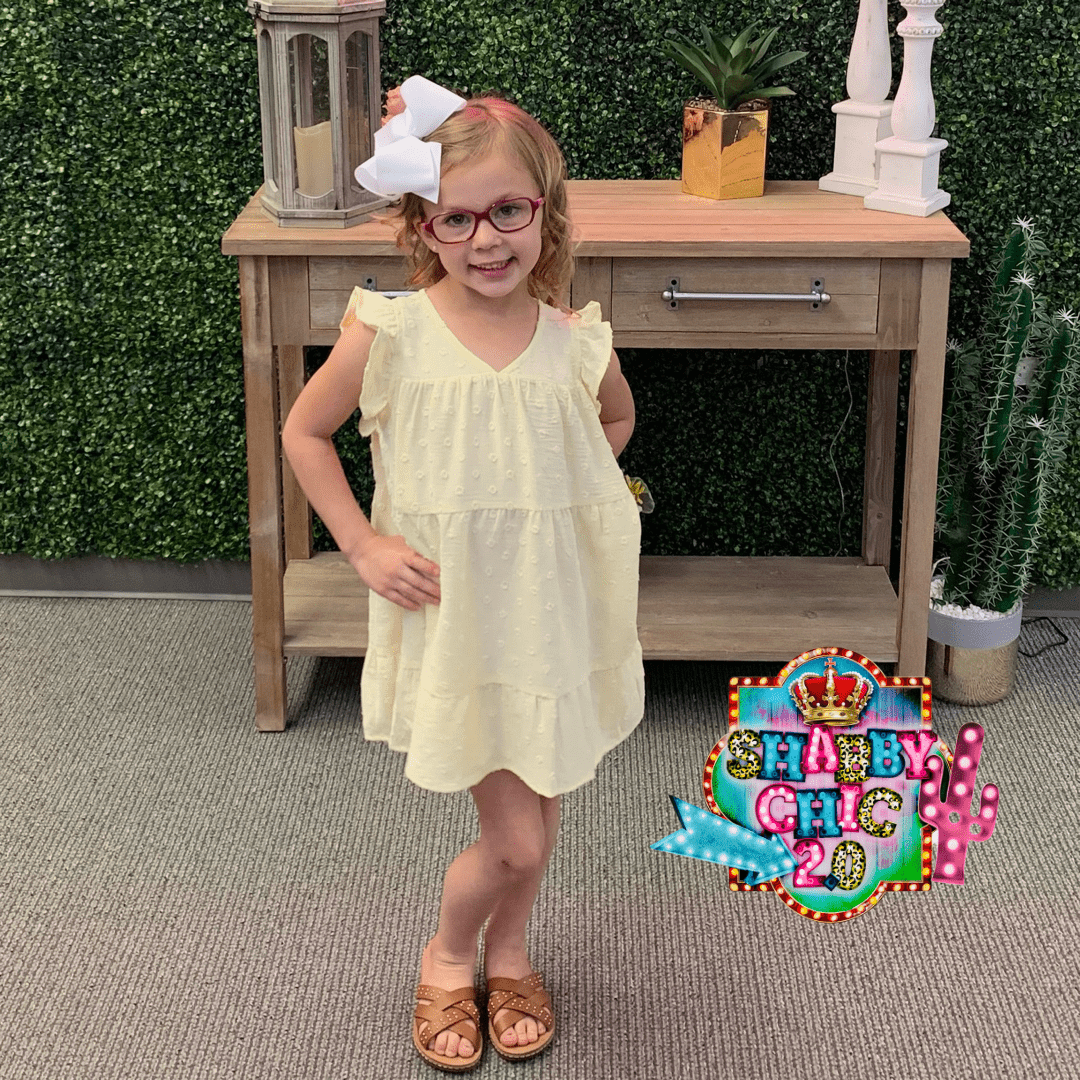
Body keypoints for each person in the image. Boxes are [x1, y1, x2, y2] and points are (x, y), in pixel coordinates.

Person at [281, 76, 645, 1071]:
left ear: (545, 214)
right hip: (457, 622)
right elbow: (305, 432)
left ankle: (511, 952)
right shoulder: (389, 331)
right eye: (457, 218)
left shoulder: (573, 340)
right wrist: (362, 545)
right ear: (423, 226)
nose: (486, 239)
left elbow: (613, 420)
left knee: (545, 805)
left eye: (508, 212)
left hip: (548, 617)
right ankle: (449, 954)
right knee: (516, 837)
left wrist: (569, 493)